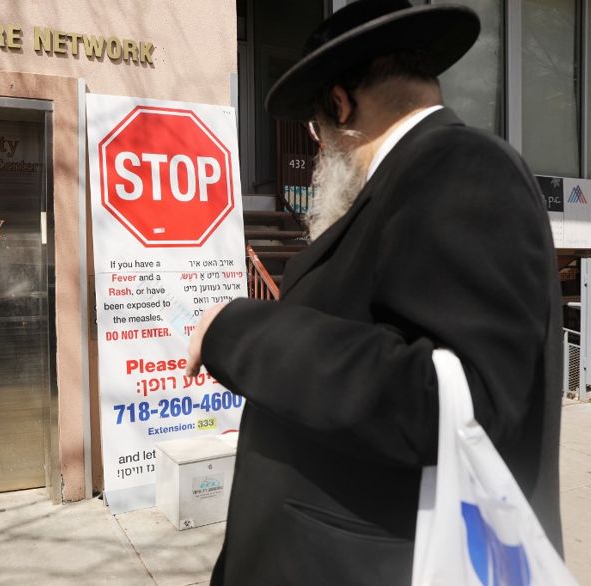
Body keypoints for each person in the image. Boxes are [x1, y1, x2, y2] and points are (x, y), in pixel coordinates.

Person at [185, 1, 564, 584]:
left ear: (341, 105)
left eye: (316, 130)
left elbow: (452, 399)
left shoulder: (462, 165)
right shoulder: (410, 179)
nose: (319, 148)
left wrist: (237, 329)